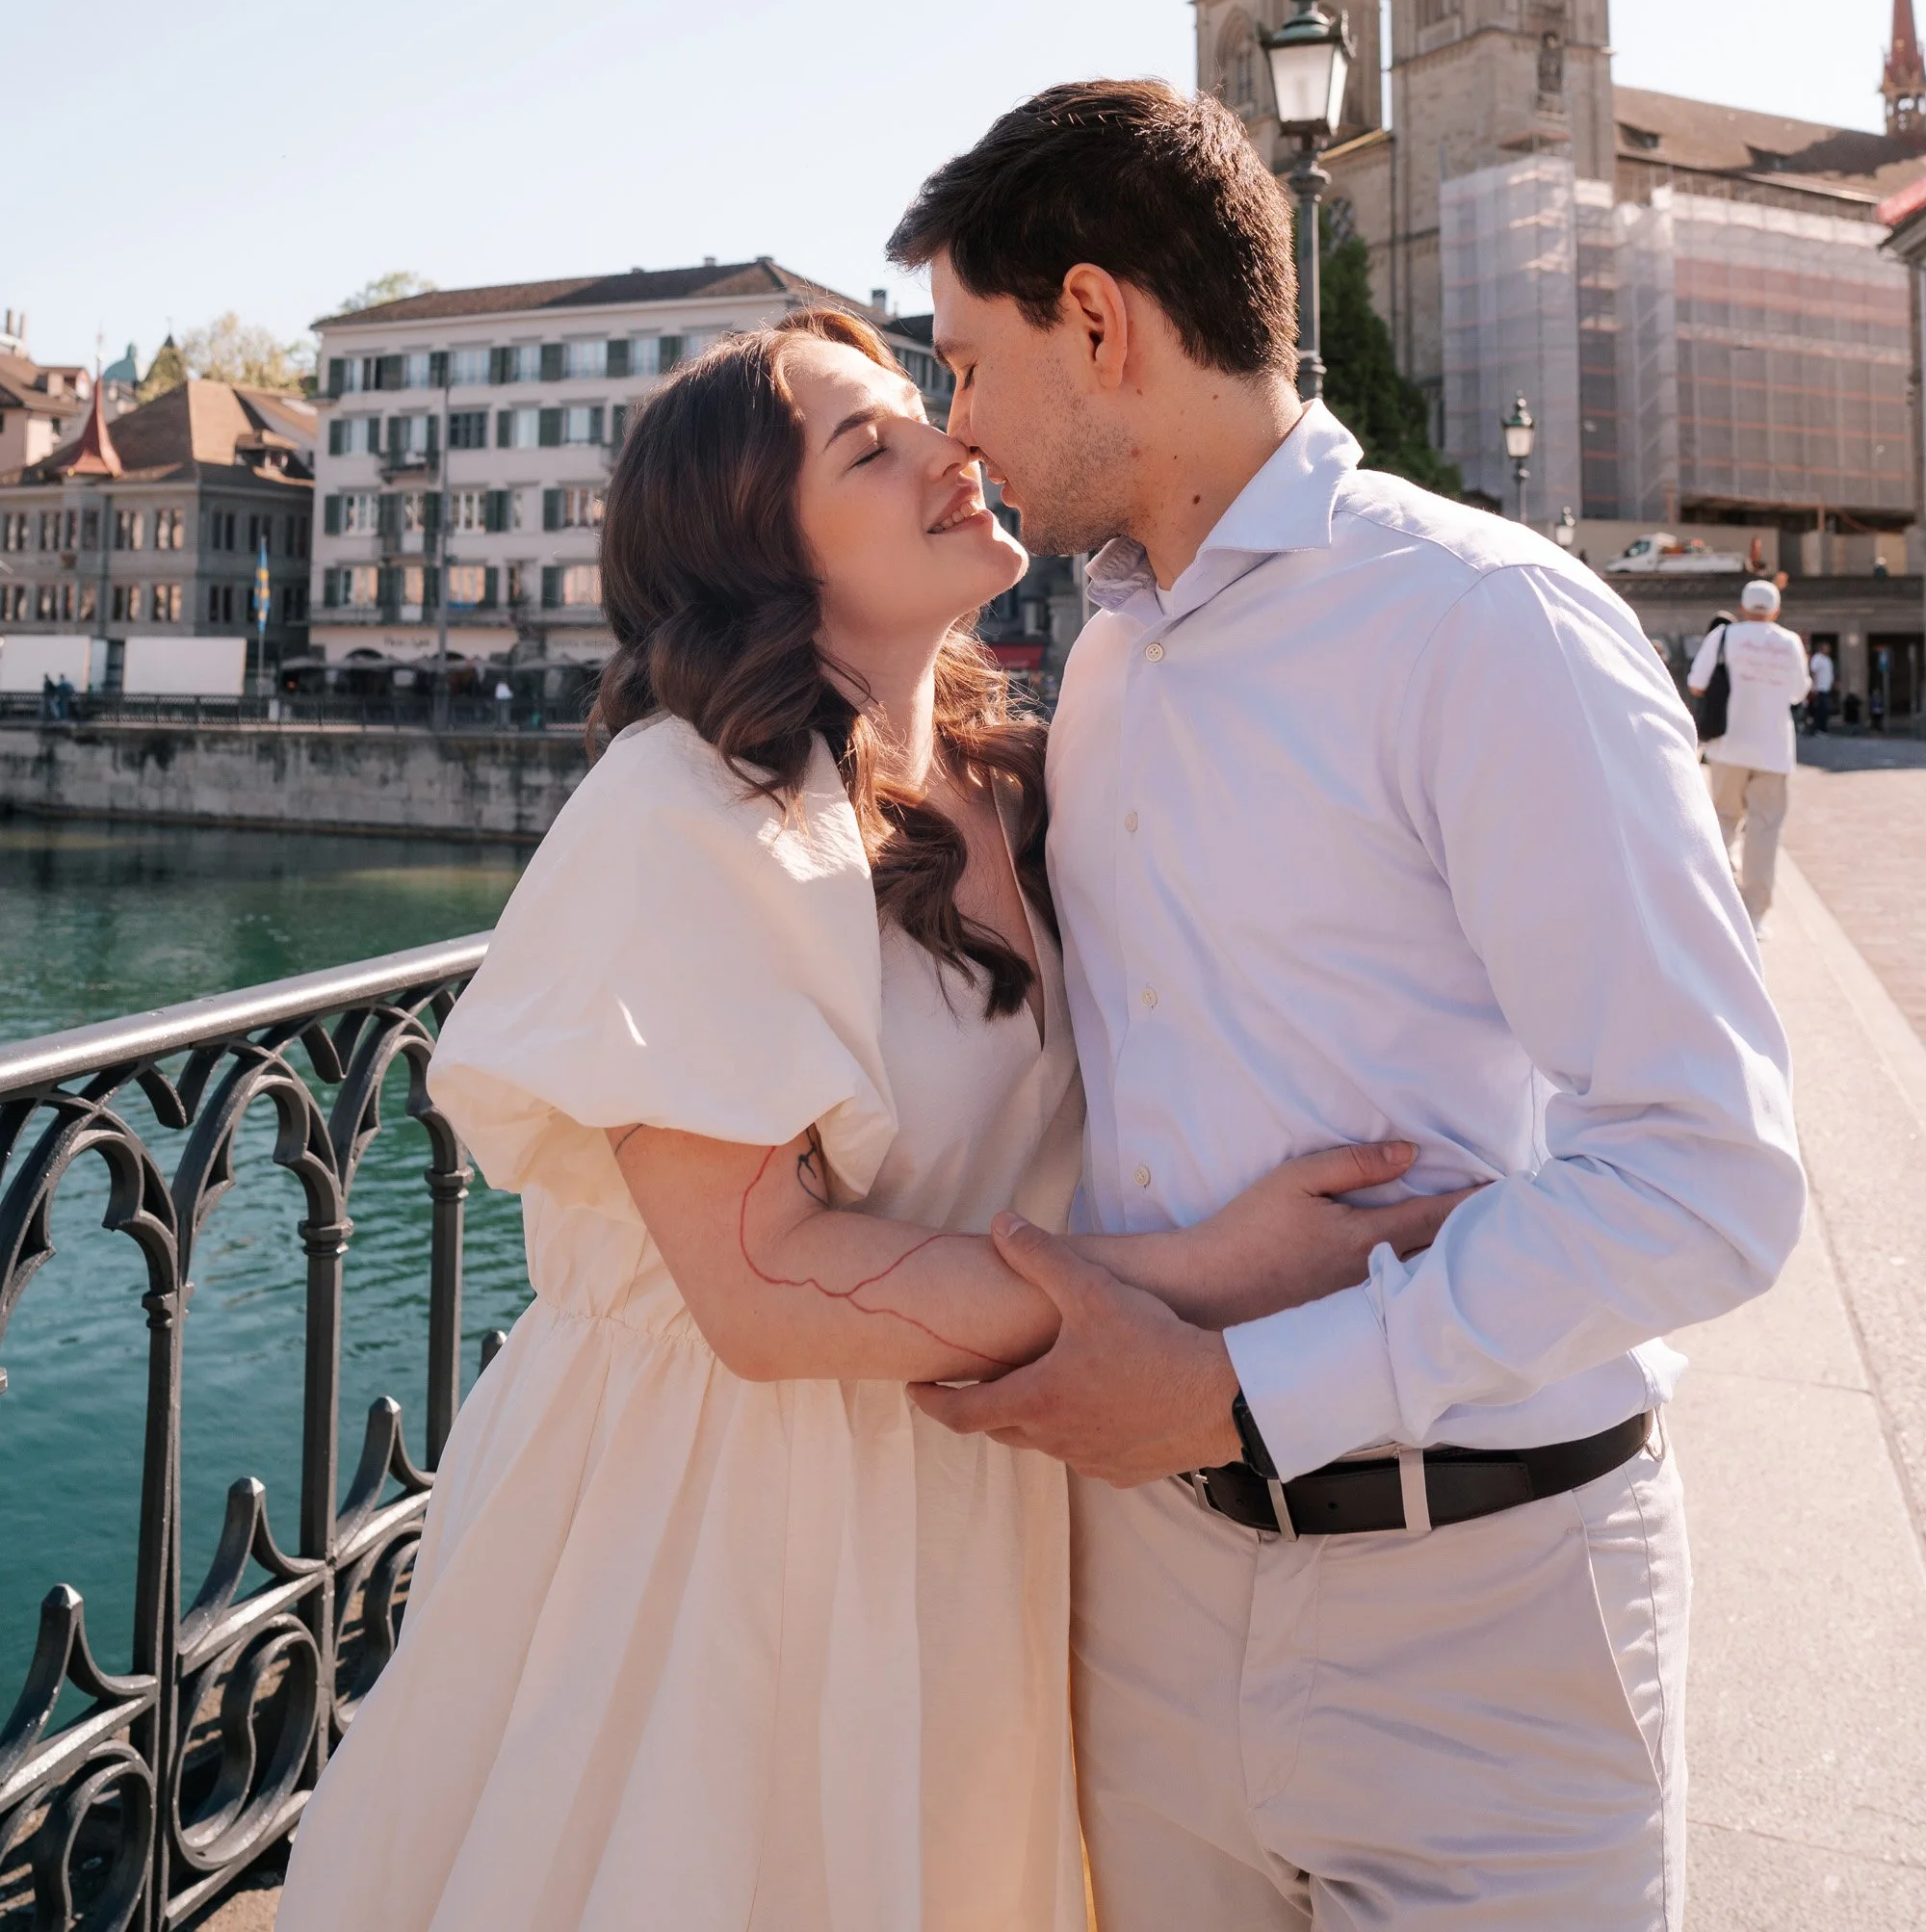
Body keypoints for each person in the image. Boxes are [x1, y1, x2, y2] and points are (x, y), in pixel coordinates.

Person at [277, 303, 1463, 1932]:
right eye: (871, 444)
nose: (949, 447)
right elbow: (760, 1291)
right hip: (725, 1522)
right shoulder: (684, 804)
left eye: (925, 411)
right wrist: (1214, 1272)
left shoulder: (1020, 778)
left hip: (968, 1495)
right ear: (762, 548)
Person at [888, 81, 1806, 1932]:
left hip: (1480, 1622)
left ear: (1098, 321)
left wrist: (1239, 1391)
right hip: (1149, 1606)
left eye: (968, 364)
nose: (955, 429)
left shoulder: (1488, 629)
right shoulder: (1111, 663)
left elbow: (1714, 1181)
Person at [1686, 578, 1810, 927]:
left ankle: (1721, 899)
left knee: (1724, 820)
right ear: (1775, 610)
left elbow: (1697, 682)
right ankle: (1755, 915)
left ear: (1742, 607)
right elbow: (1798, 693)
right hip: (1774, 749)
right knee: (1765, 829)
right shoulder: (1788, 642)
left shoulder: (1723, 637)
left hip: (1729, 746)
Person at [1808, 640, 1835, 735]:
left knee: (1826, 710)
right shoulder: (1817, 658)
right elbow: (1813, 672)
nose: (1828, 649)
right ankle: (1818, 729)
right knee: (1820, 710)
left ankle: (1823, 729)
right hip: (1819, 689)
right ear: (1821, 648)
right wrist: (1813, 686)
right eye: (1826, 647)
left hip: (1826, 688)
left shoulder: (1828, 660)